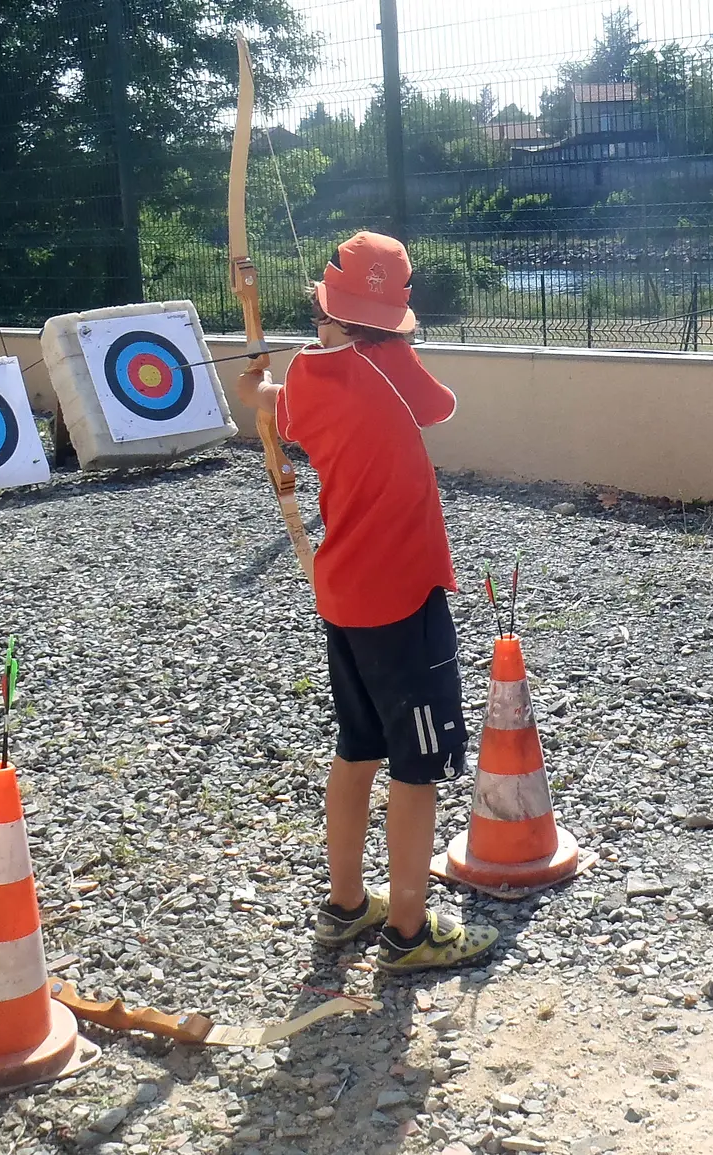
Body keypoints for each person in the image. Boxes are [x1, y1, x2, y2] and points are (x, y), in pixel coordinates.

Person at [233, 232, 498, 973]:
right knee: (416, 767)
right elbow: (438, 405)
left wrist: (260, 380)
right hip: (401, 598)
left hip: (344, 591)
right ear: (390, 321)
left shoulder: (304, 376)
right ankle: (409, 932)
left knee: (358, 748)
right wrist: (387, 343)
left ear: (327, 309)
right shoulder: (388, 364)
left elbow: (264, 402)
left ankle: (346, 904)